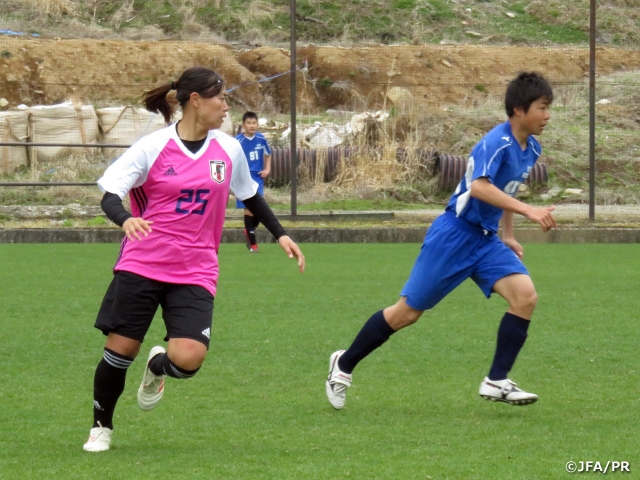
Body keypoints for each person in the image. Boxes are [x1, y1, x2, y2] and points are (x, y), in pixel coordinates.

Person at [82, 66, 305, 452]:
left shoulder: (228, 148)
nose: (225, 105)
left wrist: (281, 233)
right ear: (196, 101)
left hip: (197, 267)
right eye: (220, 97)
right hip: (143, 262)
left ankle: (157, 368)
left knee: (188, 358)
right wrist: (126, 219)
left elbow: (250, 195)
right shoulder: (152, 147)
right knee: (120, 351)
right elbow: (109, 193)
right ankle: (101, 428)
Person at [326, 71, 556, 410]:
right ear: (519, 110)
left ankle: (496, 380)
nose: (548, 115)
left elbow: (505, 190)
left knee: (525, 297)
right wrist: (528, 211)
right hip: (454, 235)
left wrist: (507, 234)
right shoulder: (497, 142)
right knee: (406, 314)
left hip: (487, 241)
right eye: (543, 107)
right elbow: (479, 186)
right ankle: (343, 365)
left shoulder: (531, 147)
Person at [235, 111, 272, 252]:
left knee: (258, 209)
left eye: (254, 123)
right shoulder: (238, 141)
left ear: (257, 124)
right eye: (249, 123)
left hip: (257, 178)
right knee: (249, 209)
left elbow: (268, 154)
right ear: (243, 125)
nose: (252, 126)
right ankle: (253, 245)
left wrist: (267, 169)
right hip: (244, 179)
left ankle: (249, 230)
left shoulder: (261, 139)